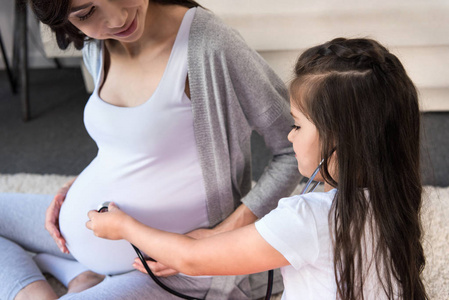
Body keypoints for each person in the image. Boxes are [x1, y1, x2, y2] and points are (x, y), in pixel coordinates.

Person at [0, 0, 300, 299]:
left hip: (174, 269)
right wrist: (74, 187)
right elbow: (128, 146)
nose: (118, 18)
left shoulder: (210, 45)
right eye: (86, 12)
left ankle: (71, 277)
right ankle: (62, 281)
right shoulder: (96, 44)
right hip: (88, 226)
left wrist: (221, 234)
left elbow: (293, 149)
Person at [87, 37, 429, 300]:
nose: (289, 136)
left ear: (339, 141)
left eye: (296, 125)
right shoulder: (394, 197)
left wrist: (123, 226)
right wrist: (207, 239)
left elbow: (193, 260)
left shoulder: (308, 217)